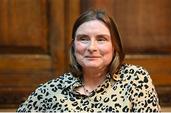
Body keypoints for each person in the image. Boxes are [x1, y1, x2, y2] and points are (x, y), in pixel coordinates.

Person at [17, 9, 161, 112]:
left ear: (114, 46)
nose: (91, 47)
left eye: (101, 39)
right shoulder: (50, 91)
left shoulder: (136, 79)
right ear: (74, 46)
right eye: (83, 39)